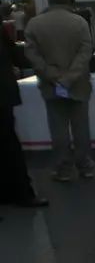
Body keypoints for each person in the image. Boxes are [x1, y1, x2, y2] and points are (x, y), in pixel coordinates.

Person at [25, 0, 95, 182]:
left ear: (49, 1)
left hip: (50, 84)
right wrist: (70, 76)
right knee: (81, 127)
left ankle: (63, 168)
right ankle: (84, 165)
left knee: (58, 129)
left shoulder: (34, 24)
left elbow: (31, 54)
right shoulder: (80, 23)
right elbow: (86, 51)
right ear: (69, 0)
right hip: (78, 84)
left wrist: (50, 73)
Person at [0, 16, 47, 207]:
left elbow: (11, 52)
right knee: (9, 144)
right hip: (3, 94)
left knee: (9, 143)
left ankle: (17, 193)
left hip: (3, 94)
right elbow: (13, 53)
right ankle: (19, 193)